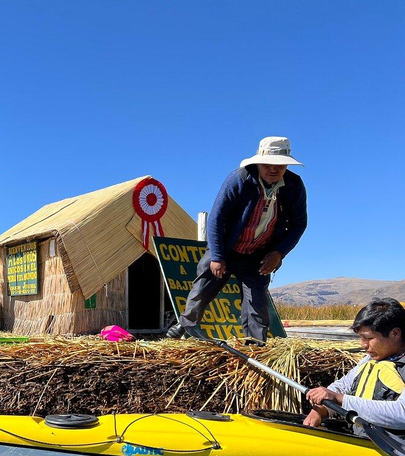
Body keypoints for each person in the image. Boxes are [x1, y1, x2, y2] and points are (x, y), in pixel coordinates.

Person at [166, 136, 308, 345]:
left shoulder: (294, 186)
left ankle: (255, 345)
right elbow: (216, 218)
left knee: (256, 300)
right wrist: (217, 255)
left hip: (259, 252)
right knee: (205, 282)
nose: (273, 170)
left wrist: (278, 253)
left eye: (279, 165)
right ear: (258, 162)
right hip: (228, 247)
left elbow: (298, 224)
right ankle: (187, 324)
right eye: (267, 164)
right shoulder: (240, 179)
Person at [303, 298, 405, 436]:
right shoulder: (369, 360)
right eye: (361, 338)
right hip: (362, 438)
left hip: (394, 449)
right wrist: (320, 410)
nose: (363, 345)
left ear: (395, 334)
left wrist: (339, 399)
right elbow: (343, 385)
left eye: (368, 338)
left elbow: (401, 413)